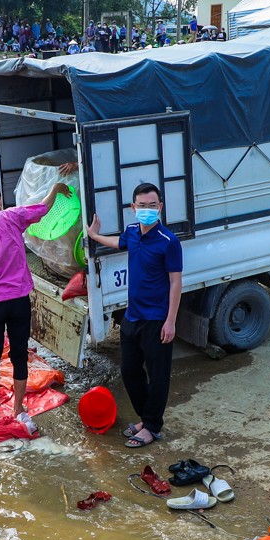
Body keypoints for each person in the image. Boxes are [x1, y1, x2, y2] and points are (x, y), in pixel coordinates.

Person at [0, 170, 74, 413]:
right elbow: (42, 209)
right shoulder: (11, 216)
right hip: (19, 300)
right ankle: (19, 408)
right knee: (19, 353)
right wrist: (55, 189)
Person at [86, 183, 183, 450]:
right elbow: (117, 242)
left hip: (157, 319)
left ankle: (152, 426)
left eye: (153, 206)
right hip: (132, 316)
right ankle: (145, 418)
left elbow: (176, 282)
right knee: (129, 371)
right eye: (142, 205)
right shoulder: (132, 232)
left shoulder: (169, 242)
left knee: (158, 375)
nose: (147, 210)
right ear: (133, 208)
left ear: (160, 207)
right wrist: (94, 236)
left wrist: (171, 320)